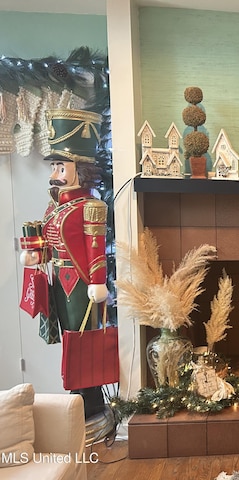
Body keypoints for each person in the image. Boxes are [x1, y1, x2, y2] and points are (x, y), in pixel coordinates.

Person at [19, 107, 108, 416]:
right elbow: (49, 242)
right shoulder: (54, 207)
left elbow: (95, 247)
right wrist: (35, 254)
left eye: (60, 165)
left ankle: (90, 397)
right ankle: (74, 390)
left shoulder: (91, 206)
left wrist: (97, 282)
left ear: (78, 168)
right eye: (55, 165)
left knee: (84, 337)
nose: (55, 172)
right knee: (69, 337)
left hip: (80, 282)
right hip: (59, 280)